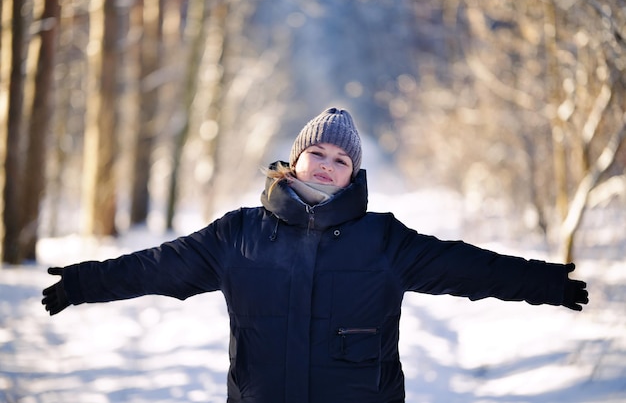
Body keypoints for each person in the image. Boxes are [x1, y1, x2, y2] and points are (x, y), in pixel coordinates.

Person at [42, 107, 589, 403]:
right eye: (316, 153)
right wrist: (83, 282)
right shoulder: (238, 235)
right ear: (294, 161)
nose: (327, 165)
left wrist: (547, 283)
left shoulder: (384, 241)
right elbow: (157, 265)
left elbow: (468, 266)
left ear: (355, 175)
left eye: (341, 160)